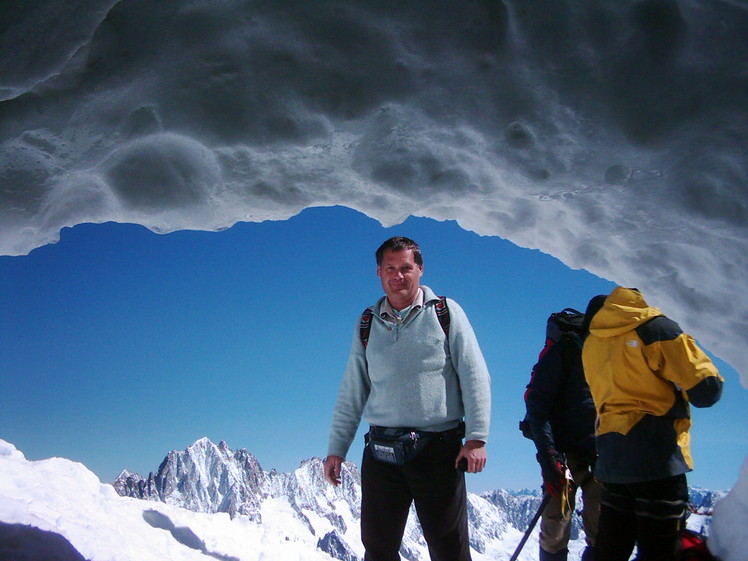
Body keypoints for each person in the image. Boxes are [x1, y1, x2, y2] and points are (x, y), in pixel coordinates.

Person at [323, 236, 492, 561]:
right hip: (382, 453)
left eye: (405, 268)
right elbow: (352, 389)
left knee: (448, 551)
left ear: (420, 270)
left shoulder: (445, 313)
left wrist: (476, 438)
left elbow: (475, 375)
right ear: (379, 272)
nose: (398, 276)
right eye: (390, 268)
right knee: (378, 548)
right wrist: (336, 450)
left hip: (438, 451)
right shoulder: (367, 322)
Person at [582, 287, 724, 561]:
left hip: (612, 457)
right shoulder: (656, 328)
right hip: (657, 457)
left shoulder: (592, 342)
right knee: (660, 550)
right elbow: (707, 391)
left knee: (611, 549)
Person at [525, 306, 604, 561]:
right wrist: (550, 457)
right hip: (567, 454)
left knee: (598, 530)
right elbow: (538, 406)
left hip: (597, 455)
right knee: (557, 529)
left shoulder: (613, 354)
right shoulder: (567, 351)